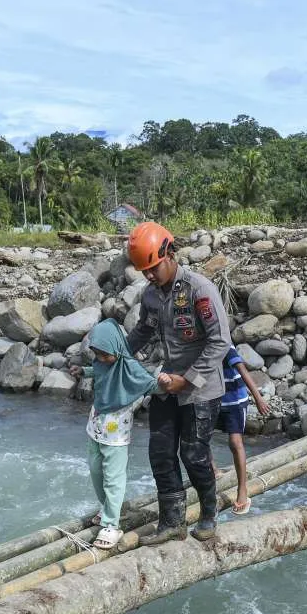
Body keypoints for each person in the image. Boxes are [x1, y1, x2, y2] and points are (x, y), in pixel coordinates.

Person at [125, 221, 233, 544]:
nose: (148, 275)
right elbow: (144, 330)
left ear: (169, 254)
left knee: (194, 454)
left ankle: (209, 513)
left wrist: (186, 380)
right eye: (144, 270)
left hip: (201, 387)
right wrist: (118, 353)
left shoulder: (200, 290)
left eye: (153, 268)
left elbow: (220, 342)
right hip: (166, 382)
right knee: (159, 451)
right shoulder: (151, 296)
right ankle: (171, 522)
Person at [73, 320, 161, 550]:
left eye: (105, 355)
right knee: (95, 469)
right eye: (97, 355)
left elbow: (150, 384)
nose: (101, 359)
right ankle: (106, 508)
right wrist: (84, 370)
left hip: (116, 431)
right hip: (96, 423)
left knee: (113, 476)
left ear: (116, 348)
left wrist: (174, 384)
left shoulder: (130, 367)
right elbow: (100, 369)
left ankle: (111, 524)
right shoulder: (102, 361)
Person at [212, 345, 270, 514]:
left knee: (235, 441)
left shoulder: (223, 345)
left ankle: (242, 489)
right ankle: (214, 470)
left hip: (235, 401)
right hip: (214, 400)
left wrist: (258, 398)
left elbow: (242, 370)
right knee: (198, 436)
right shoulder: (200, 345)